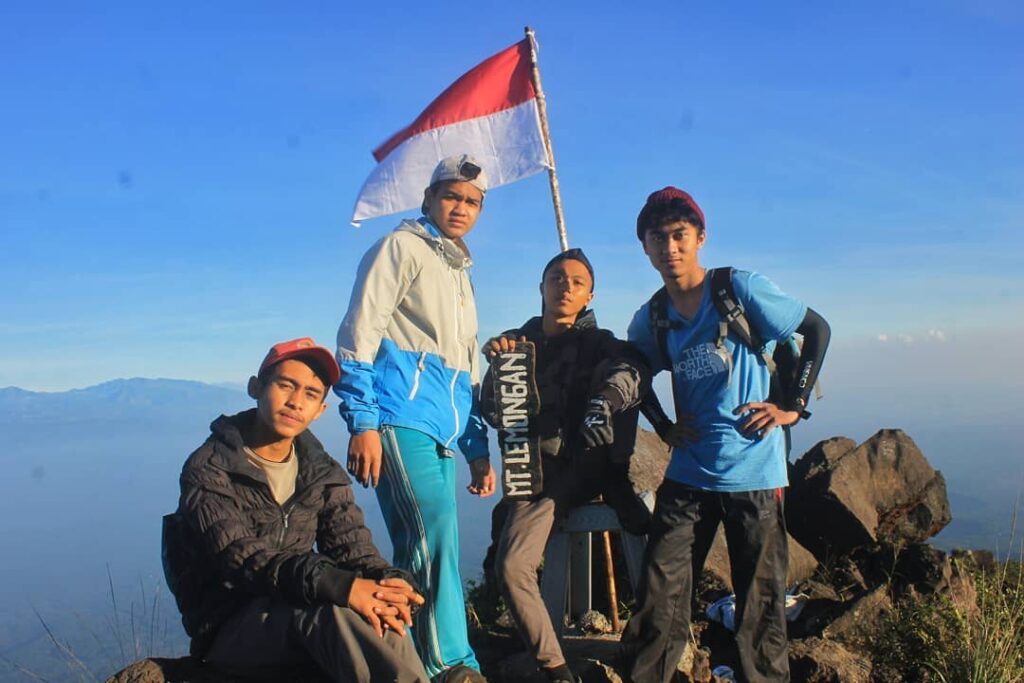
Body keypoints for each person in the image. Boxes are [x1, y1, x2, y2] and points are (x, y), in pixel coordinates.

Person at [619, 187, 830, 683]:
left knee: (760, 605)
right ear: (645, 247)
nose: (670, 248)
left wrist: (793, 408)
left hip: (755, 471)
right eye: (658, 238)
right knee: (660, 597)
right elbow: (634, 373)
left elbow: (816, 329)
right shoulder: (652, 317)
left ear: (700, 238)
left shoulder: (738, 289)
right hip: (689, 472)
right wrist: (663, 426)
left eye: (679, 235)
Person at [162, 337, 429, 683]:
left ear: (320, 410)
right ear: (256, 388)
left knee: (380, 610)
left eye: (311, 394)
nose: (295, 402)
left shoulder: (321, 472)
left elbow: (353, 548)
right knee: (331, 612)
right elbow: (243, 558)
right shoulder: (210, 468)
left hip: (296, 609)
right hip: (229, 627)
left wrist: (389, 582)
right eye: (285, 385)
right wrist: (338, 585)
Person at [334, 155, 496, 683]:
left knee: (425, 541)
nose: (461, 208)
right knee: (433, 534)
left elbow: (466, 369)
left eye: (472, 202)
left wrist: (476, 448)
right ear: (428, 198)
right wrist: (363, 422)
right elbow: (359, 334)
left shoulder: (459, 271)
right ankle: (447, 664)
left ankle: (422, 660)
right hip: (398, 418)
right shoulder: (399, 248)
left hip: (441, 430)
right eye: (451, 196)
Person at [481, 248, 653, 683]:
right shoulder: (516, 344)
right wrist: (497, 368)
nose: (566, 287)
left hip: (586, 463)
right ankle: (556, 669)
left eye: (577, 282)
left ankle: (615, 479)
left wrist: (604, 403)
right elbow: (492, 411)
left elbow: (634, 370)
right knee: (510, 566)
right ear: (541, 287)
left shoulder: (601, 343)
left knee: (619, 372)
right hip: (534, 473)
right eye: (557, 278)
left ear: (590, 295)